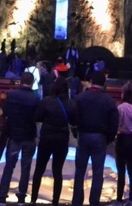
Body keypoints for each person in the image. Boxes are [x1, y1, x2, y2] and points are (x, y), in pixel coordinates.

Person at [0, 70, 41, 205]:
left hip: (14, 135)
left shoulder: (12, 95)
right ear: (32, 83)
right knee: (26, 167)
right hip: (29, 135)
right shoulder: (36, 98)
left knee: (9, 166)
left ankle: (2, 196)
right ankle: (21, 198)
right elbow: (37, 117)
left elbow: (6, 111)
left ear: (21, 80)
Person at [72, 70, 118, 206]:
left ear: (91, 81)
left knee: (79, 171)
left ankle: (77, 201)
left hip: (84, 135)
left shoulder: (80, 98)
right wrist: (108, 138)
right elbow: (114, 122)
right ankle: (94, 201)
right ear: (104, 84)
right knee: (98, 172)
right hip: (100, 137)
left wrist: (76, 132)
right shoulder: (109, 101)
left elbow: (74, 117)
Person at [30, 77, 77, 205]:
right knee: (57, 171)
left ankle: (33, 199)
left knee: (39, 169)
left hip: (47, 138)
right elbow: (74, 121)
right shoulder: (71, 103)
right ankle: (55, 200)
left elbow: (37, 117)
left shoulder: (46, 101)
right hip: (62, 139)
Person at [115, 82, 132, 205]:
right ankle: (131, 198)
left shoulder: (121, 107)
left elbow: (118, 124)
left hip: (122, 139)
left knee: (121, 170)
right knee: (131, 169)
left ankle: (119, 199)